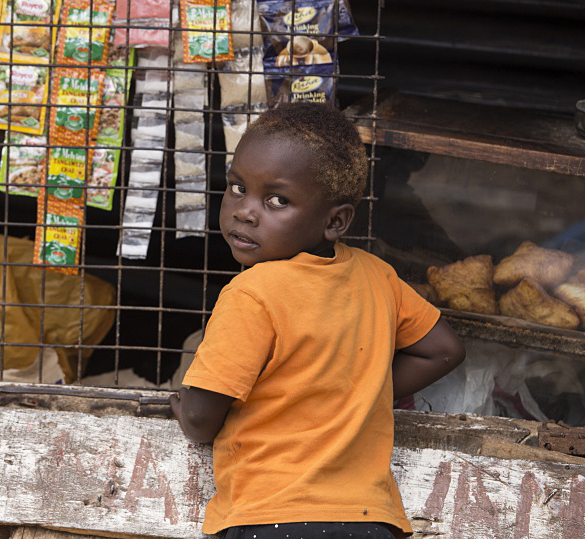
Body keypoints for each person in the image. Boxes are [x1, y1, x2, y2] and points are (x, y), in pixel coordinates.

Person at [170, 103, 465, 539]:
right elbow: (444, 349)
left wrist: (182, 404)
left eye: (277, 200)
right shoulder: (376, 275)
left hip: (268, 517)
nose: (245, 211)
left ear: (336, 221)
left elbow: (199, 421)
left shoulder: (252, 294)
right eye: (236, 187)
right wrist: (360, 390)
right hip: (371, 521)